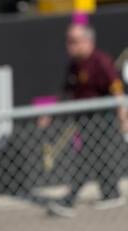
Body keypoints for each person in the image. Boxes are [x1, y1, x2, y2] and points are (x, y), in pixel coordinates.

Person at [44, 22, 128, 218]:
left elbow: (116, 89)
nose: (69, 46)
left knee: (88, 158)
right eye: (68, 41)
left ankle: (70, 199)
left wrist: (123, 116)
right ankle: (111, 194)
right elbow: (66, 90)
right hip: (84, 119)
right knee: (98, 158)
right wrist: (49, 113)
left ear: (87, 41)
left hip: (101, 118)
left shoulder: (101, 61)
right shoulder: (75, 65)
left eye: (74, 41)